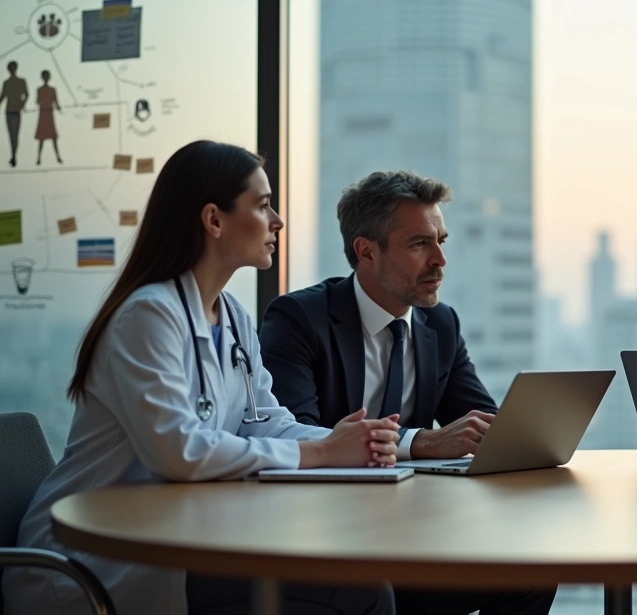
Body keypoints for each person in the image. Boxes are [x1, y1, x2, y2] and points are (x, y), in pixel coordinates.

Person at [1, 141, 402, 615]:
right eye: (263, 205)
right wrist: (322, 452)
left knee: (361, 582)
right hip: (92, 563)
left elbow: (266, 421)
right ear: (213, 220)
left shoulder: (231, 316)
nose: (277, 222)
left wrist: (355, 441)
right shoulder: (147, 315)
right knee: (359, 593)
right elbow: (178, 452)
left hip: (176, 537)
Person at [259, 169, 557, 615]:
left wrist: (518, 435)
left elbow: (481, 422)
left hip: (416, 533)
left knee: (532, 576)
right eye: (420, 244)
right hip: (325, 541)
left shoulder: (440, 323)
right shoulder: (300, 319)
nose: (439, 259)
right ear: (366, 251)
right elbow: (298, 436)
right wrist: (420, 441)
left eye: (441, 240)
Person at [1, 61, 28, 167]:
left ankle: (14, 155)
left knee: (15, 135)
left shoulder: (21, 81)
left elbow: (26, 94)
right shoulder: (6, 83)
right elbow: (2, 96)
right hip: (9, 111)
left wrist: (22, 104)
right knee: (11, 135)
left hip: (16, 111)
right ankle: (13, 155)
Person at [35, 69, 62, 165]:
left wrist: (59, 108)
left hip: (49, 114)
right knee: (41, 139)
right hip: (43, 114)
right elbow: (37, 101)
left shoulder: (52, 90)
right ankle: (38, 158)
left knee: (53, 138)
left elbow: (56, 101)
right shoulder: (39, 90)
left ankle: (58, 157)